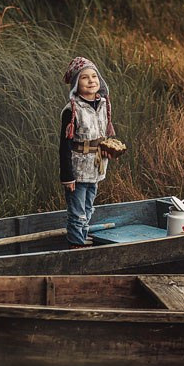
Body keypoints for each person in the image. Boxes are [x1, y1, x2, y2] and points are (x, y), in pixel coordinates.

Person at [59, 57, 117, 248]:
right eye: (85, 77)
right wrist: (67, 176)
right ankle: (76, 243)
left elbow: (102, 134)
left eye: (94, 76)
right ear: (77, 83)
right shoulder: (72, 110)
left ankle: (82, 234)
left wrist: (109, 148)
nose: (91, 80)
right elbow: (64, 145)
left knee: (88, 206)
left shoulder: (103, 104)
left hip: (96, 165)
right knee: (77, 210)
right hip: (78, 168)